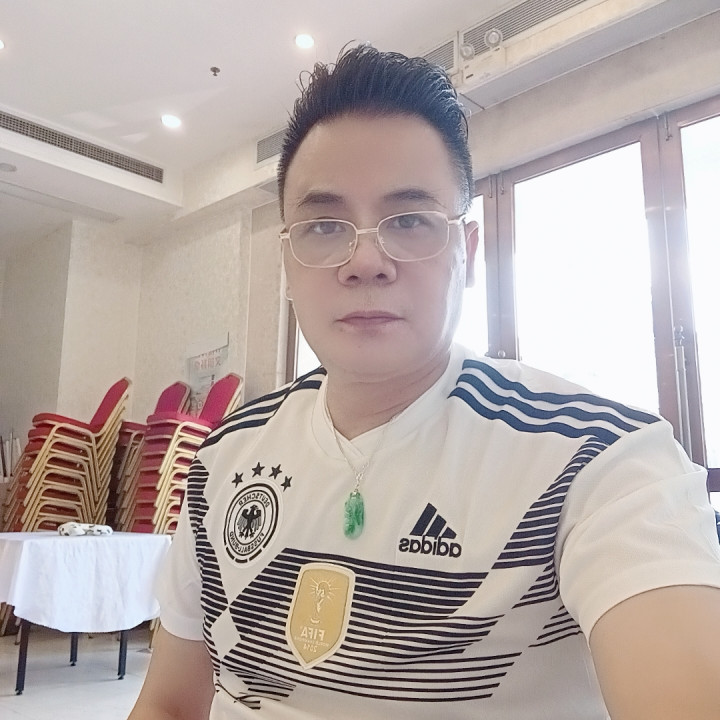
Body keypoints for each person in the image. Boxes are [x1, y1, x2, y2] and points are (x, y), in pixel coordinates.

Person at [128, 45, 720, 720]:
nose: (365, 260)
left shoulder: (600, 459)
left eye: (409, 221)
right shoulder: (222, 457)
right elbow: (169, 704)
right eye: (324, 226)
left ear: (468, 254)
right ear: (287, 262)